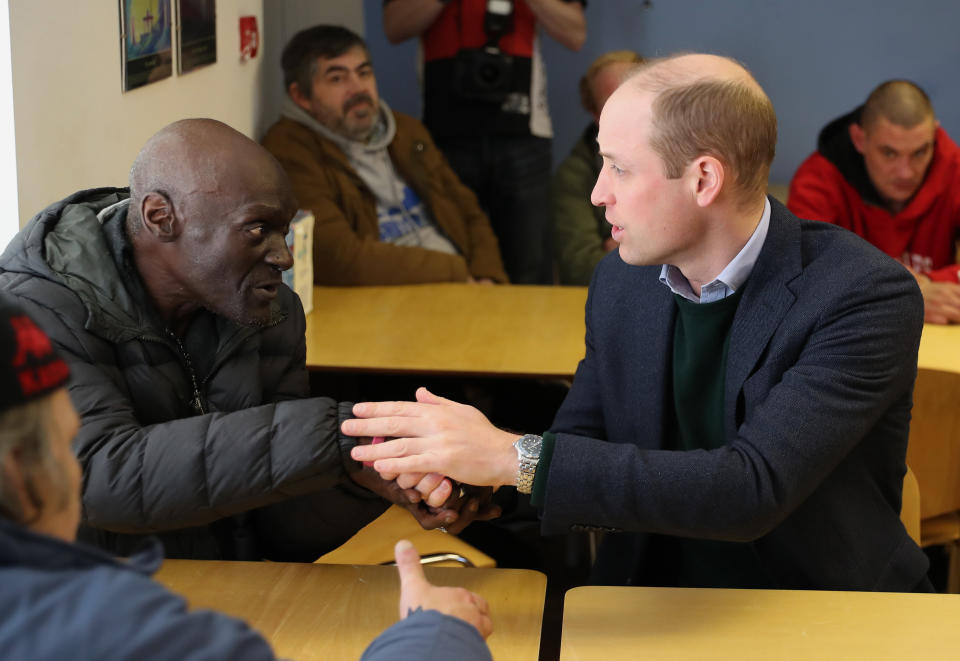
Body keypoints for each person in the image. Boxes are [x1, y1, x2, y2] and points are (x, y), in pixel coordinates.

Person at [345, 54, 933, 592]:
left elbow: (752, 490)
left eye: (619, 168)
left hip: (823, 613)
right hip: (650, 603)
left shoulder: (862, 296)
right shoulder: (621, 281)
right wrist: (470, 483)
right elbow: (581, 448)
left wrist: (511, 457)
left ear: (703, 179)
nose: (598, 194)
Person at [0, 118, 489, 561]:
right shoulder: (37, 309)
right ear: (160, 217)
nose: (284, 257)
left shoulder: (270, 312)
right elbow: (97, 476)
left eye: (283, 230)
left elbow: (272, 524)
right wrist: (333, 437)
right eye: (257, 229)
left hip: (222, 599)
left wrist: (362, 476)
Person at [0, 299, 493, 661]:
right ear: (21, 474)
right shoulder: (119, 631)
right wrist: (439, 637)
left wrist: (351, 474)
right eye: (68, 444)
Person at [262, 25, 508, 286]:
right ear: (301, 96)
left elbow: (467, 210)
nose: (358, 89)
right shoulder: (289, 149)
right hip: (390, 293)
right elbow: (338, 258)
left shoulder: (406, 129)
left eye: (364, 73)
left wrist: (487, 274)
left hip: (464, 284)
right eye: (337, 78)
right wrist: (456, 272)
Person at [382, 0, 587, 284]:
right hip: (444, 134)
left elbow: (575, 34)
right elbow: (394, 27)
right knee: (457, 259)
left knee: (528, 266)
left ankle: (530, 329)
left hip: (524, 131)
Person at [788, 80, 960, 324]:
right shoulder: (818, 180)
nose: (906, 173)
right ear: (860, 140)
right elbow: (801, 276)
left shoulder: (954, 167)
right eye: (889, 153)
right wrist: (908, 294)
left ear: (933, 135)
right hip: (853, 341)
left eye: (920, 152)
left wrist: (930, 285)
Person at [553, 50, 643, 285]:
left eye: (635, 98)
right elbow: (581, 268)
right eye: (612, 103)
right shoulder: (575, 175)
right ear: (595, 116)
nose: (629, 113)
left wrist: (623, 251)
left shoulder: (684, 155)